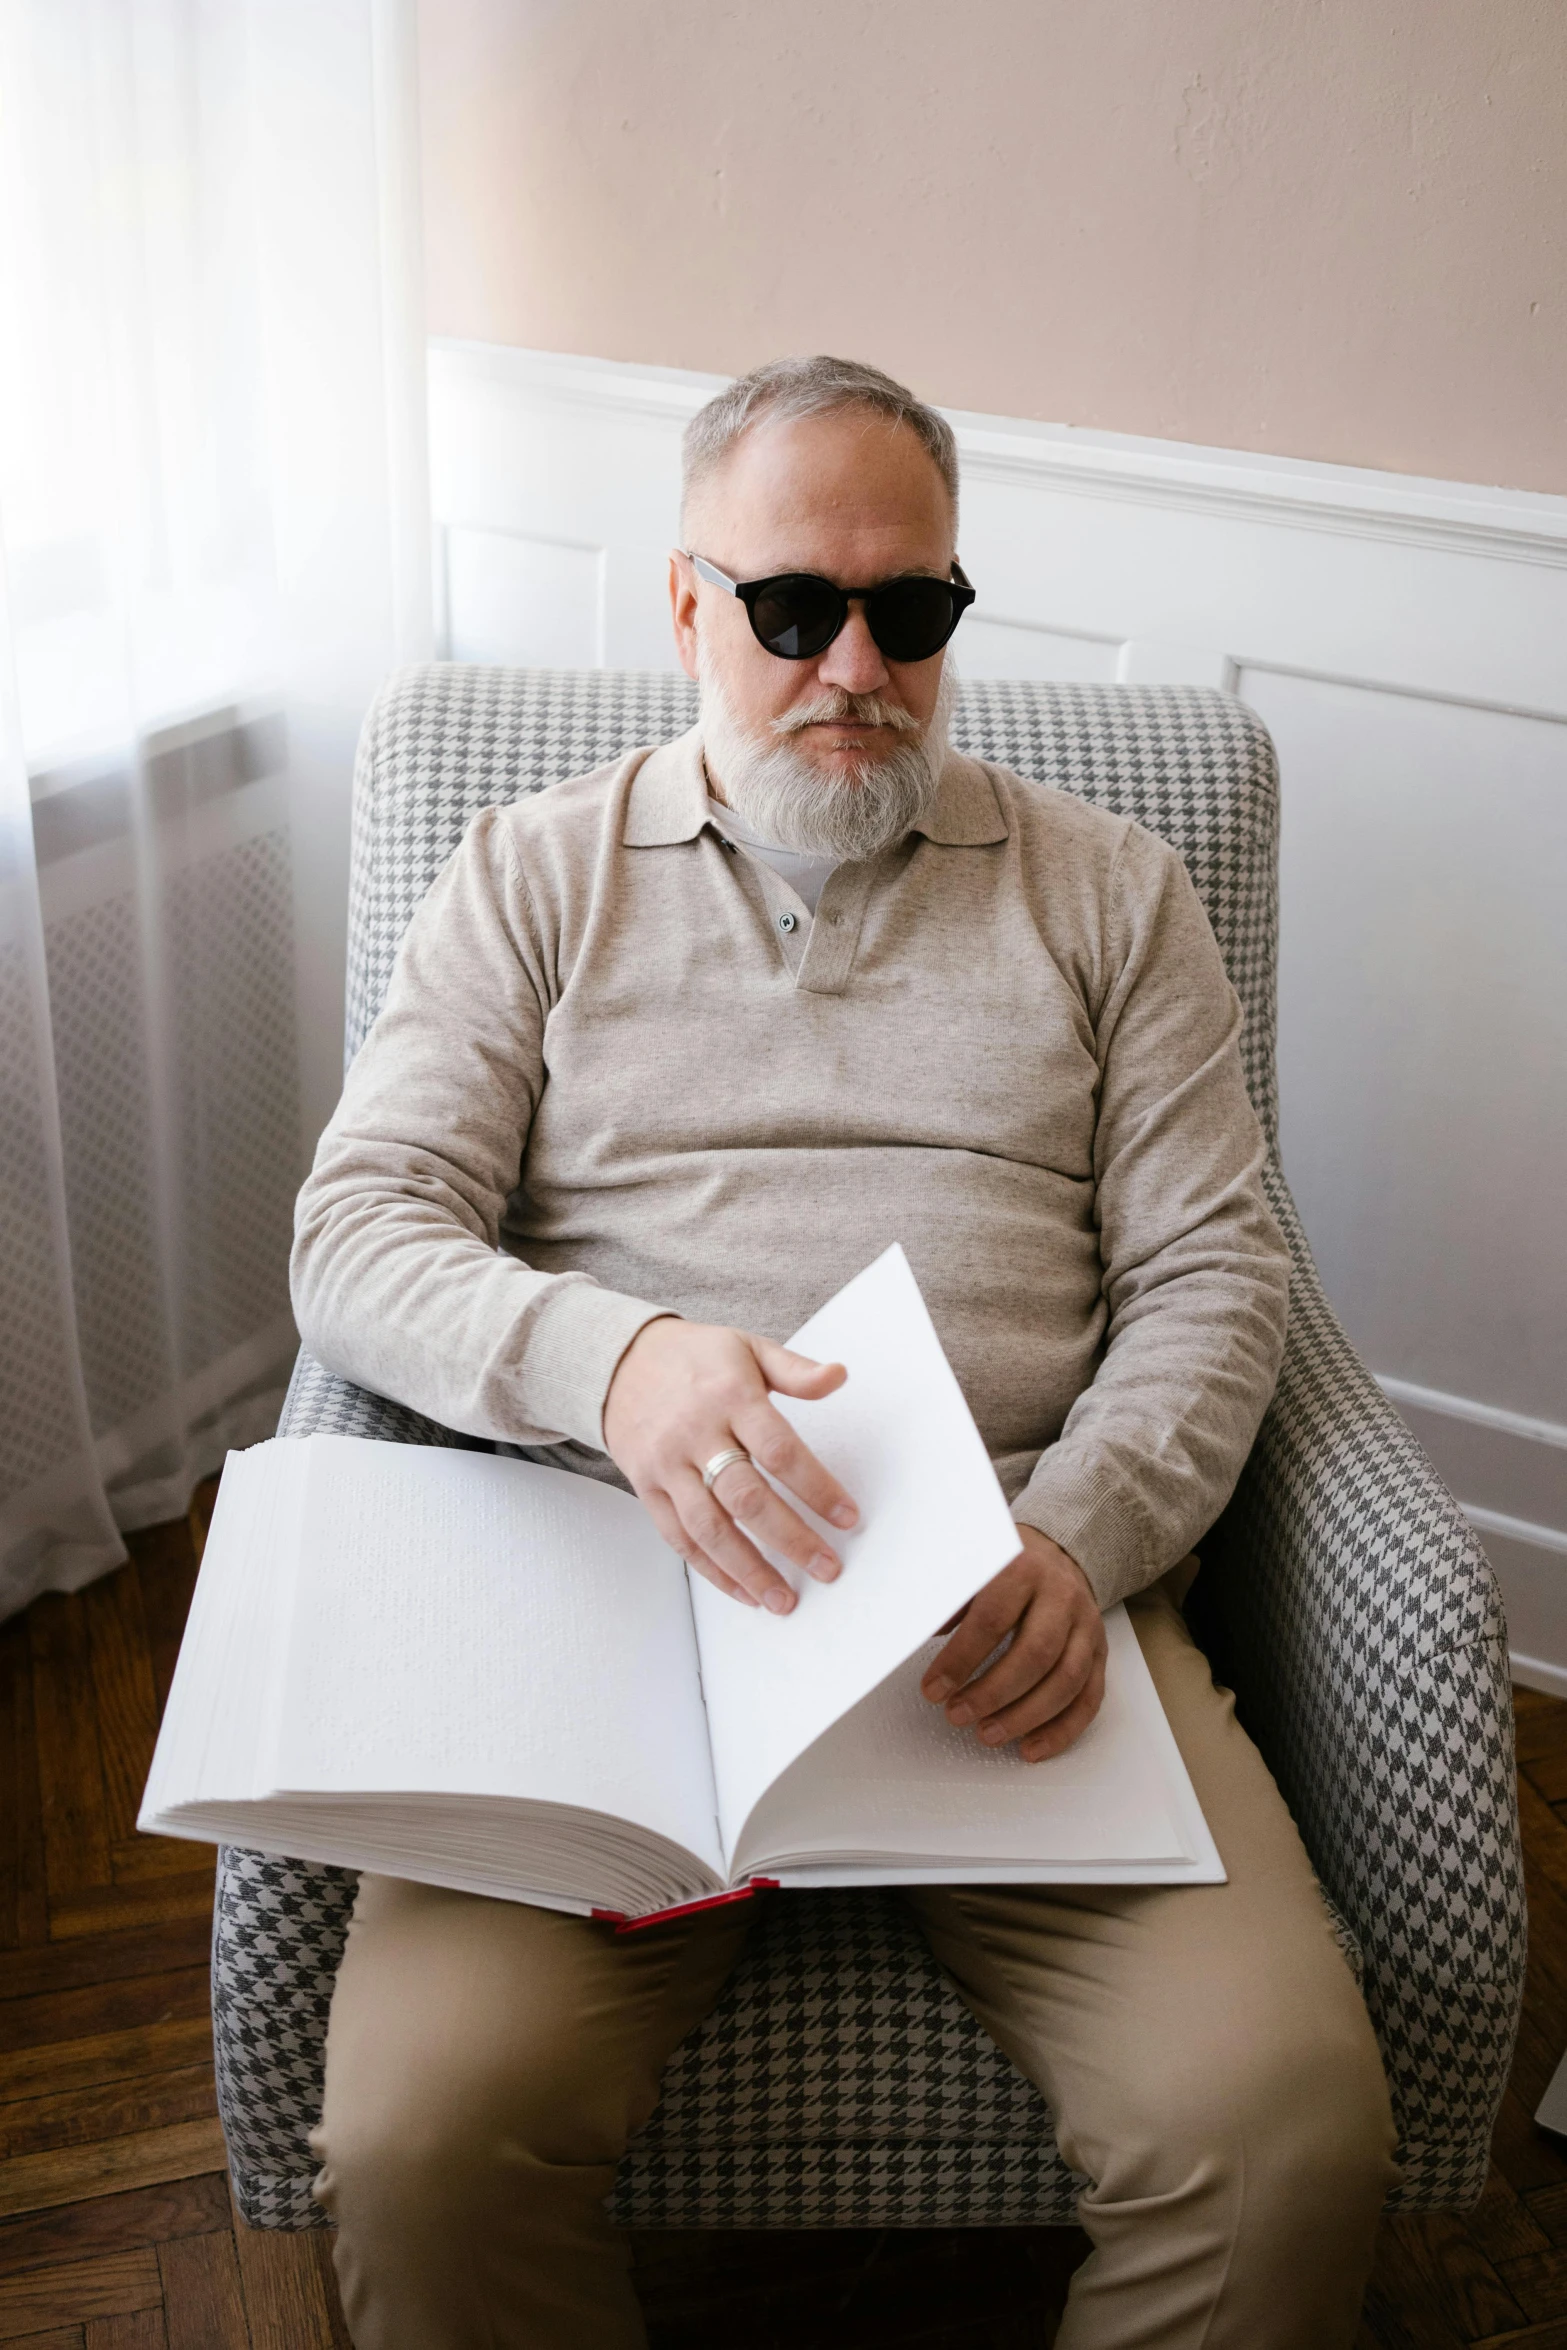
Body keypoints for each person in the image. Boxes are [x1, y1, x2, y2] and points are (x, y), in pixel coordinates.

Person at [292, 354, 1397, 2348]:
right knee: (418, 2136)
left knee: (1285, 2132)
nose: (855, 662)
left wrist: (1080, 1538)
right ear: (687, 604)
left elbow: (1224, 1279)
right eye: (795, 606)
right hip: (612, 1616)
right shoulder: (529, 877)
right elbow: (354, 1233)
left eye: (917, 611)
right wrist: (613, 1362)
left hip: (1012, 1601)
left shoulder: (1113, 892)